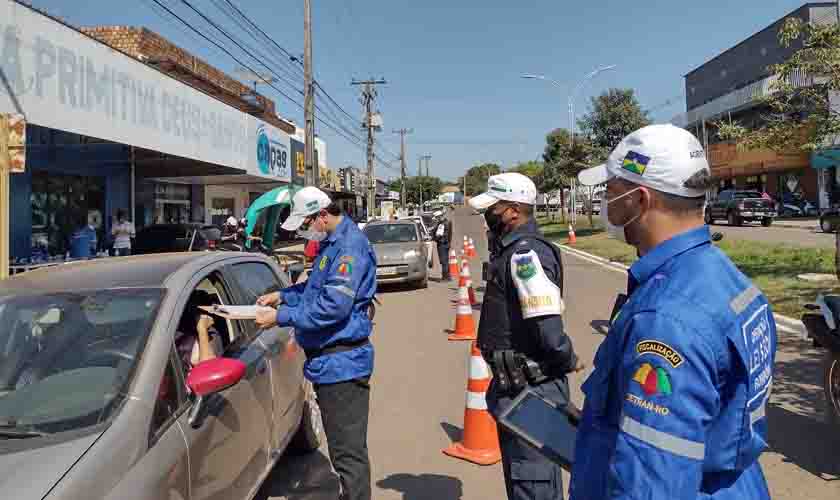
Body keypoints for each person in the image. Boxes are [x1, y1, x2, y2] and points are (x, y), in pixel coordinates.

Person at [570, 124, 775, 500]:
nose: (605, 203)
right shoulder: (728, 280)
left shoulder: (665, 323)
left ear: (639, 200)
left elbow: (651, 484)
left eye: (610, 191)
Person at [254, 187, 376, 500]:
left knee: (347, 454)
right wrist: (283, 295)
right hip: (330, 362)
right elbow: (316, 288)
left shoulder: (349, 248)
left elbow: (333, 306)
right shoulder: (331, 246)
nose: (306, 231)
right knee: (342, 449)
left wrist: (280, 316)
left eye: (307, 223)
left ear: (322, 215)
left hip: (342, 363)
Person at [468, 172, 581, 500]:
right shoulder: (513, 249)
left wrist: (560, 362)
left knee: (533, 482)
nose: (488, 216)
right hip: (517, 388)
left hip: (531, 391)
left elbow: (549, 330)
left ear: (514, 210)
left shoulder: (524, 254)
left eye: (494, 208)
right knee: (524, 481)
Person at [432, 209, 453, 280]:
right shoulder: (448, 222)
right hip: (446, 243)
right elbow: (450, 234)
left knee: (443, 261)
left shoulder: (442, 224)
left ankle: (445, 277)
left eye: (437, 218)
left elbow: (439, 235)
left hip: (442, 244)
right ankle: (448, 276)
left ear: (439, 217)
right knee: (446, 261)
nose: (436, 220)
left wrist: (434, 237)